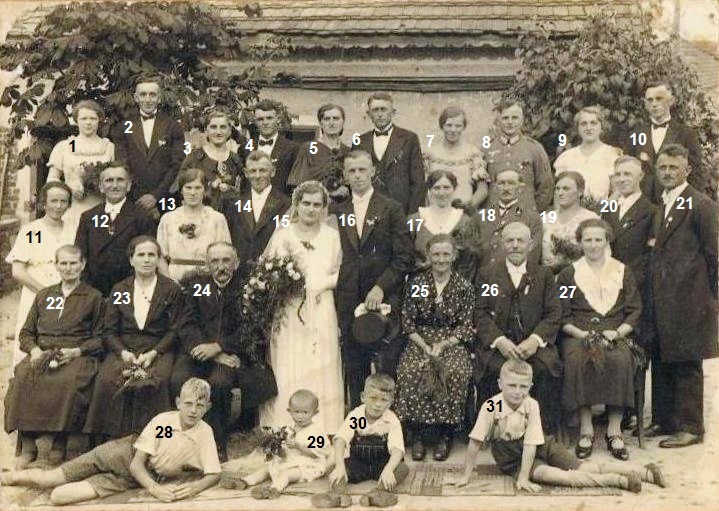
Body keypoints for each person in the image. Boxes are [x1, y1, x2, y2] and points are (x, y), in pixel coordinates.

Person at [452, 360, 666, 493]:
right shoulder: (491, 406)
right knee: (555, 477)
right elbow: (475, 443)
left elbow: (531, 444)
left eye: (523, 387)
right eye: (511, 386)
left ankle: (645, 473)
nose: (517, 392)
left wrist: (525, 477)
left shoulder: (531, 405)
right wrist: (465, 475)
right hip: (513, 459)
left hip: (541, 446)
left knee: (583, 466)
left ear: (530, 387)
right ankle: (618, 481)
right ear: (500, 384)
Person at [1, 378, 221, 505]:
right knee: (50, 480)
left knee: (59, 497)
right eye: (188, 403)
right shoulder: (165, 422)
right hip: (122, 455)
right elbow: (136, 463)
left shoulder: (204, 433)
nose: (193, 411)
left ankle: (71, 482)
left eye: (199, 406)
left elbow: (214, 474)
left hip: (136, 479)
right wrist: (155, 489)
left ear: (208, 408)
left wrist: (193, 488)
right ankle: (9, 478)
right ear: (178, 403)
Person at [172, 242, 277, 456]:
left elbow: (252, 328)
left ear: (236, 263)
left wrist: (220, 347)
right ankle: (179, 440)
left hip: (232, 353)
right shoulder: (198, 286)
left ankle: (216, 444)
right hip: (198, 351)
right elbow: (186, 324)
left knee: (219, 384)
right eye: (215, 261)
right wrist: (210, 351)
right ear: (207, 265)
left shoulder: (248, 288)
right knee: (177, 379)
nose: (221, 266)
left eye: (226, 260)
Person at [4, 245, 105, 468]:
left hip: (75, 354)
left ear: (82, 265)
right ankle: (28, 443)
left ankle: (60, 441)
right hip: (43, 352)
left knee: (67, 382)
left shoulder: (93, 297)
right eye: (64, 263)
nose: (68, 268)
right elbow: (26, 332)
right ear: (56, 265)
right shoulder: (44, 294)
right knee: (24, 376)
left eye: (73, 263)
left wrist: (77, 351)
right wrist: (34, 350)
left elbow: (101, 338)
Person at [646, 144, 717, 448]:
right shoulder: (661, 203)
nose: (667, 172)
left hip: (690, 297)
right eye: (662, 167)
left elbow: (715, 253)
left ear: (687, 170)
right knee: (662, 357)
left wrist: (710, 297)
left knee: (687, 361)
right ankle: (665, 419)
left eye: (674, 167)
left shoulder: (701, 204)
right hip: (663, 296)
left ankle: (691, 426)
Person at [259, 181, 345, 434]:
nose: (311, 209)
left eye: (317, 204)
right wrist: (287, 286)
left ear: (324, 208)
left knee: (321, 360)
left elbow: (343, 271)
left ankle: (323, 425)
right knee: (289, 361)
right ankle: (283, 424)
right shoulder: (284, 235)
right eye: (306, 203)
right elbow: (268, 271)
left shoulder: (331, 237)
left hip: (321, 306)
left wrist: (320, 284)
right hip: (289, 308)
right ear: (296, 205)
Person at [333, 151, 414, 408]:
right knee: (354, 362)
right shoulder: (337, 211)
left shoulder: (391, 208)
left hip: (383, 297)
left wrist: (380, 287)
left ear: (372, 172)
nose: (357, 176)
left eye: (362, 170)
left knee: (386, 362)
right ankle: (358, 419)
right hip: (348, 296)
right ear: (345, 176)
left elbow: (404, 257)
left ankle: (388, 418)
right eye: (352, 171)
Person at [557, 219, 642, 460]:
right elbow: (563, 313)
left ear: (607, 241)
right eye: (588, 240)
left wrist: (617, 333)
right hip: (579, 332)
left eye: (598, 239)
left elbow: (634, 309)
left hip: (615, 331)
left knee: (619, 359)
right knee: (577, 359)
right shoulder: (568, 274)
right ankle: (586, 429)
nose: (593, 245)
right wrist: (580, 333)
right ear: (580, 242)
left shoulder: (622, 271)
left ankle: (614, 431)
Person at [84, 236, 182, 439]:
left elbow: (174, 330)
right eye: (141, 255)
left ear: (158, 259)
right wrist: (123, 353)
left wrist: (155, 353)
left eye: (151, 255)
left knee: (158, 380)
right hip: (125, 347)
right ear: (131, 260)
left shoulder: (170, 289)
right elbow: (109, 330)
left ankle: (156, 439)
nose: (146, 260)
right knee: (107, 379)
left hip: (158, 348)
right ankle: (110, 438)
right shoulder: (120, 289)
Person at [474, 222, 562, 435]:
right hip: (500, 346)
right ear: (502, 244)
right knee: (493, 370)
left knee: (544, 368)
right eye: (510, 241)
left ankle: (540, 429)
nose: (515, 245)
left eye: (520, 241)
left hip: (533, 345)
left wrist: (534, 340)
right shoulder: (488, 274)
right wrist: (499, 341)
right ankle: (494, 427)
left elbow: (553, 313)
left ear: (530, 244)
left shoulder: (544, 275)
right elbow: (480, 313)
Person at [395, 234, 475, 462]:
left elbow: (465, 325)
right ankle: (418, 433)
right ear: (429, 255)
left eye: (446, 254)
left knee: (455, 371)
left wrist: (443, 344)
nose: (441, 259)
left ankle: (445, 433)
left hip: (451, 341)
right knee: (410, 371)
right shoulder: (418, 284)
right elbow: (409, 321)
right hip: (420, 340)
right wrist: (425, 345)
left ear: (454, 256)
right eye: (436, 254)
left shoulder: (463, 287)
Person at [312, 374, 410, 509]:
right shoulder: (356, 416)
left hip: (381, 465)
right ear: (363, 397)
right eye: (373, 398)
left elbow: (397, 450)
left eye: (384, 400)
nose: (378, 404)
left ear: (391, 401)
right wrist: (340, 466)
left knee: (402, 469)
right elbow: (341, 439)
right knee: (333, 467)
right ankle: (338, 495)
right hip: (358, 463)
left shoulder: (391, 420)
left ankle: (378, 493)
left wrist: (388, 469)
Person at [5, 181, 77, 366]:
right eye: (53, 201)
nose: (58, 206)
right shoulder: (32, 231)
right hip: (36, 293)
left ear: (69, 204)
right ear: (44, 203)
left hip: (68, 293)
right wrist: (46, 293)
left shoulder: (73, 229)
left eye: (63, 201)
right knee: (33, 340)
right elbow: (18, 271)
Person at [228, 390, 329, 500]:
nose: (300, 416)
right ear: (289, 411)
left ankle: (274, 489)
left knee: (286, 474)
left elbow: (318, 454)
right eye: (297, 412)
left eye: (305, 412)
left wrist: (299, 446)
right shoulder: (288, 429)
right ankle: (246, 481)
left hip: (308, 465)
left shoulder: (316, 431)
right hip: (290, 460)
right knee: (266, 468)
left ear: (315, 412)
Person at [75, 162, 156, 296]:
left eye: (120, 180)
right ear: (101, 187)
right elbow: (81, 255)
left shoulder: (142, 216)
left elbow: (148, 255)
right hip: (95, 291)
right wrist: (88, 290)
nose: (114, 185)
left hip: (131, 289)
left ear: (129, 185)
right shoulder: (88, 217)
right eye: (109, 181)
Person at [111, 74, 185, 218]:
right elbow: (122, 164)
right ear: (136, 97)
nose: (148, 99)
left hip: (166, 198)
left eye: (152, 95)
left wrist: (155, 196)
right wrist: (140, 197)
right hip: (134, 198)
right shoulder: (124, 126)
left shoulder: (173, 126)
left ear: (159, 97)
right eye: (143, 94)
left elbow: (177, 164)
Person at [625, 83, 707, 202]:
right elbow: (627, 168)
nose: (654, 104)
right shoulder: (636, 134)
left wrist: (689, 206)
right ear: (646, 105)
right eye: (650, 100)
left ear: (671, 101)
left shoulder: (686, 134)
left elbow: (695, 175)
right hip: (642, 205)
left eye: (659, 98)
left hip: (674, 202)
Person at [46, 100, 115, 229]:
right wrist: (68, 188)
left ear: (99, 120)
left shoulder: (109, 147)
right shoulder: (65, 146)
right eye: (83, 118)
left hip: (102, 209)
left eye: (92, 118)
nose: (88, 122)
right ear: (76, 120)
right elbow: (51, 179)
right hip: (73, 208)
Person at [354, 92, 425, 214]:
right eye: (375, 110)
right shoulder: (359, 141)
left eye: (384, 109)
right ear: (369, 114)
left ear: (393, 112)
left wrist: (414, 214)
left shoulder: (409, 138)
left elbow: (418, 181)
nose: (380, 114)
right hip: (368, 209)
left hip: (401, 208)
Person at [405, 169, 483, 280]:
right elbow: (405, 256)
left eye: (446, 188)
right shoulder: (414, 220)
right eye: (436, 188)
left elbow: (470, 262)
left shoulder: (465, 220)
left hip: (456, 287)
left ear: (454, 189)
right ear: (429, 191)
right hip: (421, 286)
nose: (442, 193)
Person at [156, 168, 231, 282]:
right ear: (181, 190)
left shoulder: (217, 219)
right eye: (188, 188)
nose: (192, 193)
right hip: (174, 279)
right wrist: (170, 283)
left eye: (197, 188)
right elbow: (160, 256)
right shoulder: (168, 219)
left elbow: (225, 255)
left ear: (204, 190)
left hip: (207, 279)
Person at [224, 151, 291, 276]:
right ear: (246, 173)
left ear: (273, 171)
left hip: (273, 275)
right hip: (240, 274)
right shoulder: (234, 204)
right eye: (253, 171)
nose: (258, 175)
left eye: (263, 170)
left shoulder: (287, 204)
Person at [483, 99, 553, 212]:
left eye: (515, 118)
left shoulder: (534, 148)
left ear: (522, 120)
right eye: (505, 118)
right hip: (494, 215)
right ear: (498, 121)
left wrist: (533, 213)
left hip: (525, 215)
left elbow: (545, 187)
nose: (510, 122)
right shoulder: (487, 149)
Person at [423, 106, 488, 208]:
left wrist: (467, 209)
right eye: (448, 125)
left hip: (462, 212)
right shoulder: (430, 154)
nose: (453, 130)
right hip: (435, 212)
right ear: (442, 126)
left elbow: (482, 190)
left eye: (458, 126)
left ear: (464, 127)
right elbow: (424, 188)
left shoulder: (472, 153)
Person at [178, 107, 243, 210]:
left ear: (229, 131)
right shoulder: (194, 157)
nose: (218, 132)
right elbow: (180, 188)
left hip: (232, 218)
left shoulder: (236, 160)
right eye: (213, 127)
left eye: (223, 127)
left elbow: (244, 192)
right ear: (206, 130)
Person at [476, 168, 542, 268]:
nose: (506, 188)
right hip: (484, 277)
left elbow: (532, 255)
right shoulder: (481, 216)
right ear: (495, 188)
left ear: (520, 188)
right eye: (501, 183)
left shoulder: (532, 218)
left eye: (511, 183)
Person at [553, 106, 622, 201]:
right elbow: (558, 194)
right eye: (583, 124)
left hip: (601, 212)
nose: (588, 128)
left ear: (601, 126)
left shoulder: (611, 154)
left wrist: (603, 211)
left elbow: (617, 191)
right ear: (578, 128)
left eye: (593, 123)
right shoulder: (567, 157)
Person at [541, 171, 598, 272]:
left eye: (566, 189)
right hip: (547, 278)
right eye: (557, 189)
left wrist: (564, 263)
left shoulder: (590, 219)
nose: (560, 193)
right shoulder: (546, 218)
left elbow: (599, 254)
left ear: (580, 192)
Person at [286, 103, 350, 192]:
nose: (332, 123)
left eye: (336, 118)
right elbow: (297, 186)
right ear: (320, 123)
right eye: (327, 119)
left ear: (343, 122)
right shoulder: (309, 148)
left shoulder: (348, 152)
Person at [247, 99, 299, 193]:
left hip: (281, 204)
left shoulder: (292, 148)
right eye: (260, 119)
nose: (265, 123)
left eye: (269, 118)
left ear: (278, 119)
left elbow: (295, 183)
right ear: (255, 121)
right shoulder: (246, 147)